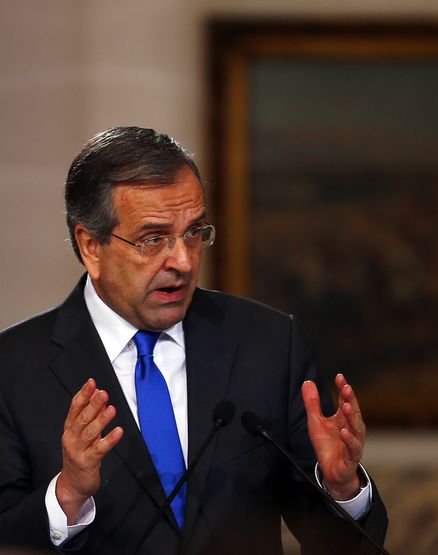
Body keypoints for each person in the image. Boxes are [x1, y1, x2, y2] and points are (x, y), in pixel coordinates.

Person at [0, 127, 388, 554]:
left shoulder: (268, 344)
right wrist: (67, 495)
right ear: (91, 245)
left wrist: (342, 490)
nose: (183, 261)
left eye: (193, 233)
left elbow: (341, 546)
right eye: (153, 239)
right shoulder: (14, 370)